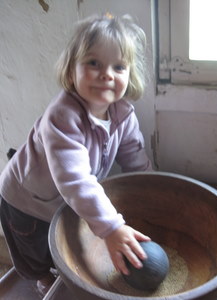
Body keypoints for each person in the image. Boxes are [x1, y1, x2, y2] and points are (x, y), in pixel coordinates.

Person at [0, 14, 152, 296]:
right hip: (27, 202)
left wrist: (151, 192)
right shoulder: (62, 117)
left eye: (119, 66)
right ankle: (41, 278)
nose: (107, 74)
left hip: (64, 200)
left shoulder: (123, 113)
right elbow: (76, 180)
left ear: (130, 75)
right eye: (94, 63)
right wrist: (111, 227)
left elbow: (134, 155)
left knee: (64, 240)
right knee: (35, 251)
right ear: (71, 72)